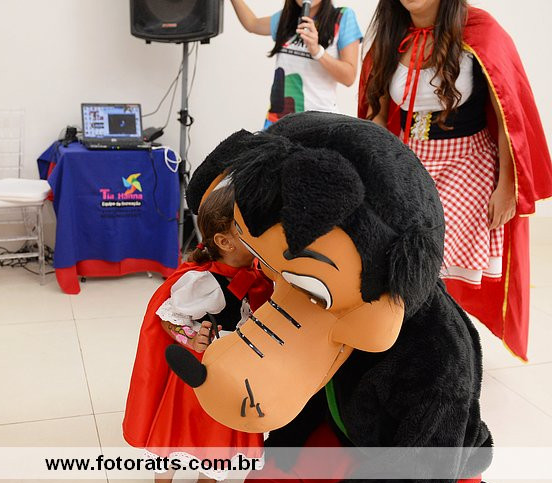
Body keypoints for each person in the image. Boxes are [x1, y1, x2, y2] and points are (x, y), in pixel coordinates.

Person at [359, 0, 552, 361]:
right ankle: (416, 351)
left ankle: (446, 354)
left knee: (435, 262)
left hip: (468, 163)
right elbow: (378, 117)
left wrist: (507, 186)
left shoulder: (480, 31)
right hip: (411, 160)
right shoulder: (390, 36)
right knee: (398, 260)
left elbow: (507, 113)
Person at [123, 179, 272, 483]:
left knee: (220, 430)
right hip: (195, 376)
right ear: (225, 241)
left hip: (231, 373)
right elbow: (168, 318)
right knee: (178, 433)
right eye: (252, 230)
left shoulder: (257, 275)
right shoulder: (200, 281)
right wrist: (191, 338)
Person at [229, 0, 362, 128]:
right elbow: (253, 24)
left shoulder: (342, 18)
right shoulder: (287, 18)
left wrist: (317, 51)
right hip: (279, 122)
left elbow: (349, 77)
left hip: (319, 123)